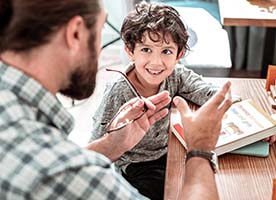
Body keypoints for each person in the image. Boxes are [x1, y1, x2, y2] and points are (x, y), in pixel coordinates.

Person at [0, 0, 233, 199]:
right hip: (137, 169)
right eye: (102, 28)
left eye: (165, 51)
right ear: (76, 34)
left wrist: (112, 144)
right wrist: (200, 150)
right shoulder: (74, 175)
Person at [90, 2, 232, 199]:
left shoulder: (176, 75)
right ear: (130, 51)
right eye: (146, 49)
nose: (156, 63)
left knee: (215, 177)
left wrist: (245, 115)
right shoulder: (117, 91)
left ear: (179, 54)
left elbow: (209, 93)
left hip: (171, 151)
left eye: (166, 51)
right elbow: (96, 143)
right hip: (136, 165)